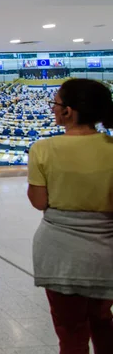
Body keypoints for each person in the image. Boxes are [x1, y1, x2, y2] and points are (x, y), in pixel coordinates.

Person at [27, 78, 113, 354]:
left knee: (71, 331)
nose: (52, 109)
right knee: (103, 322)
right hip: (105, 253)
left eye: (55, 104)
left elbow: (39, 201)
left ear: (68, 112)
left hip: (60, 255)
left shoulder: (43, 149)